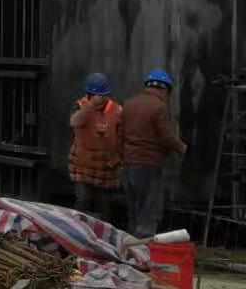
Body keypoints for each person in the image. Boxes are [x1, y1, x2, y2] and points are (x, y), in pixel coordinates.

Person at [119, 67, 186, 238]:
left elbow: (119, 133)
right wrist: (180, 147)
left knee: (134, 207)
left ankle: (131, 242)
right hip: (149, 163)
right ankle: (145, 245)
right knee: (149, 207)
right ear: (163, 89)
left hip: (129, 162)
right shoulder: (158, 107)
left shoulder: (128, 104)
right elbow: (165, 136)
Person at [68, 72, 123, 222]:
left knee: (104, 204)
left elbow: (121, 133)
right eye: (98, 95)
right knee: (83, 199)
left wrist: (118, 157)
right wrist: (89, 106)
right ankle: (77, 228)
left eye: (104, 95)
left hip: (105, 165)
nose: (102, 99)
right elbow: (74, 122)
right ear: (88, 94)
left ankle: (102, 232)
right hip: (82, 163)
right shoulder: (79, 106)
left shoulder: (117, 110)